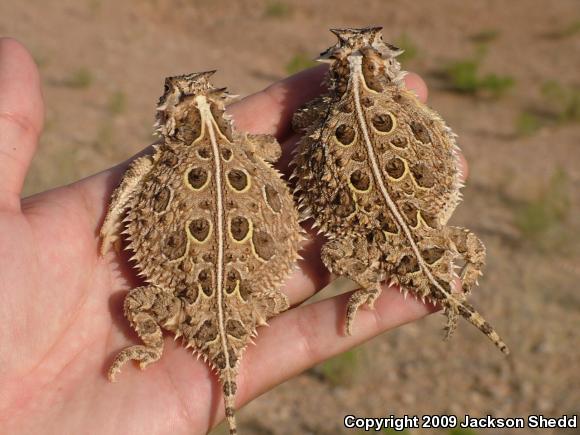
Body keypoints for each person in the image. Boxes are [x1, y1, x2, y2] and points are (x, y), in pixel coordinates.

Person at [0, 37, 462, 434]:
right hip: (251, 296)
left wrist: (110, 225)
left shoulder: (156, 164)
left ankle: (152, 345)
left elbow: (128, 189)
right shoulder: (253, 149)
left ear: (167, 117)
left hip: (196, 302)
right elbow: (267, 151)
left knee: (139, 303)